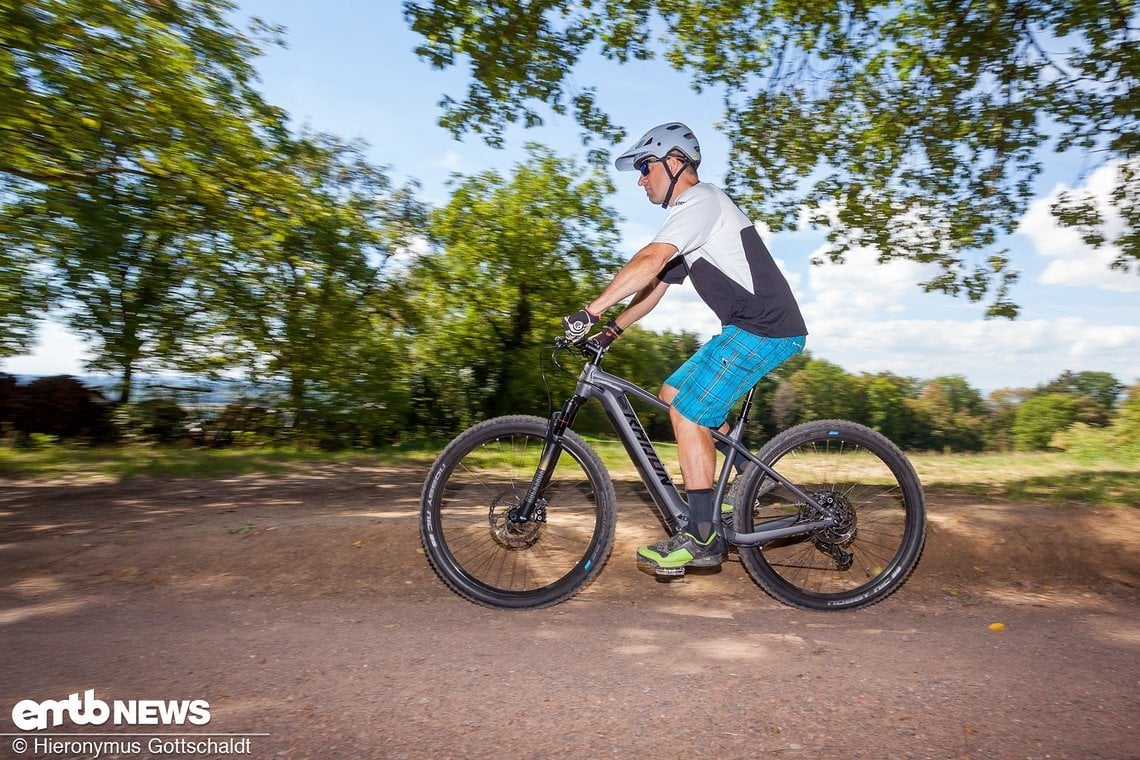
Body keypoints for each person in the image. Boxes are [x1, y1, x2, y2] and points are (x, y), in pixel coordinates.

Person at [562, 122, 808, 573]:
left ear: (674, 163)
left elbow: (651, 258)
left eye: (645, 166)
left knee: (690, 412)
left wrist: (590, 311)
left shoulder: (701, 201)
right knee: (674, 395)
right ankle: (747, 481)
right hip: (747, 328)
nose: (640, 178)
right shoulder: (691, 214)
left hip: (765, 328)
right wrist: (613, 328)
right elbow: (655, 286)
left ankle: (703, 536)